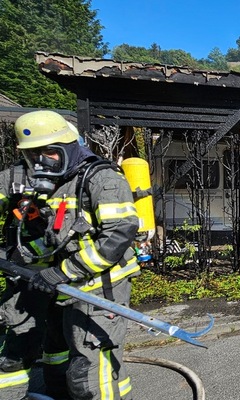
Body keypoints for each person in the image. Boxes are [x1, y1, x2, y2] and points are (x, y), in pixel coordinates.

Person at [0, 110, 140, 399]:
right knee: (55, 351)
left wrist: (63, 272)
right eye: (33, 154)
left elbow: (118, 234)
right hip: (52, 283)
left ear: (69, 147)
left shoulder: (101, 178)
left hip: (100, 286)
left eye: (49, 152)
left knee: (89, 371)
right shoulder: (19, 176)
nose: (41, 161)